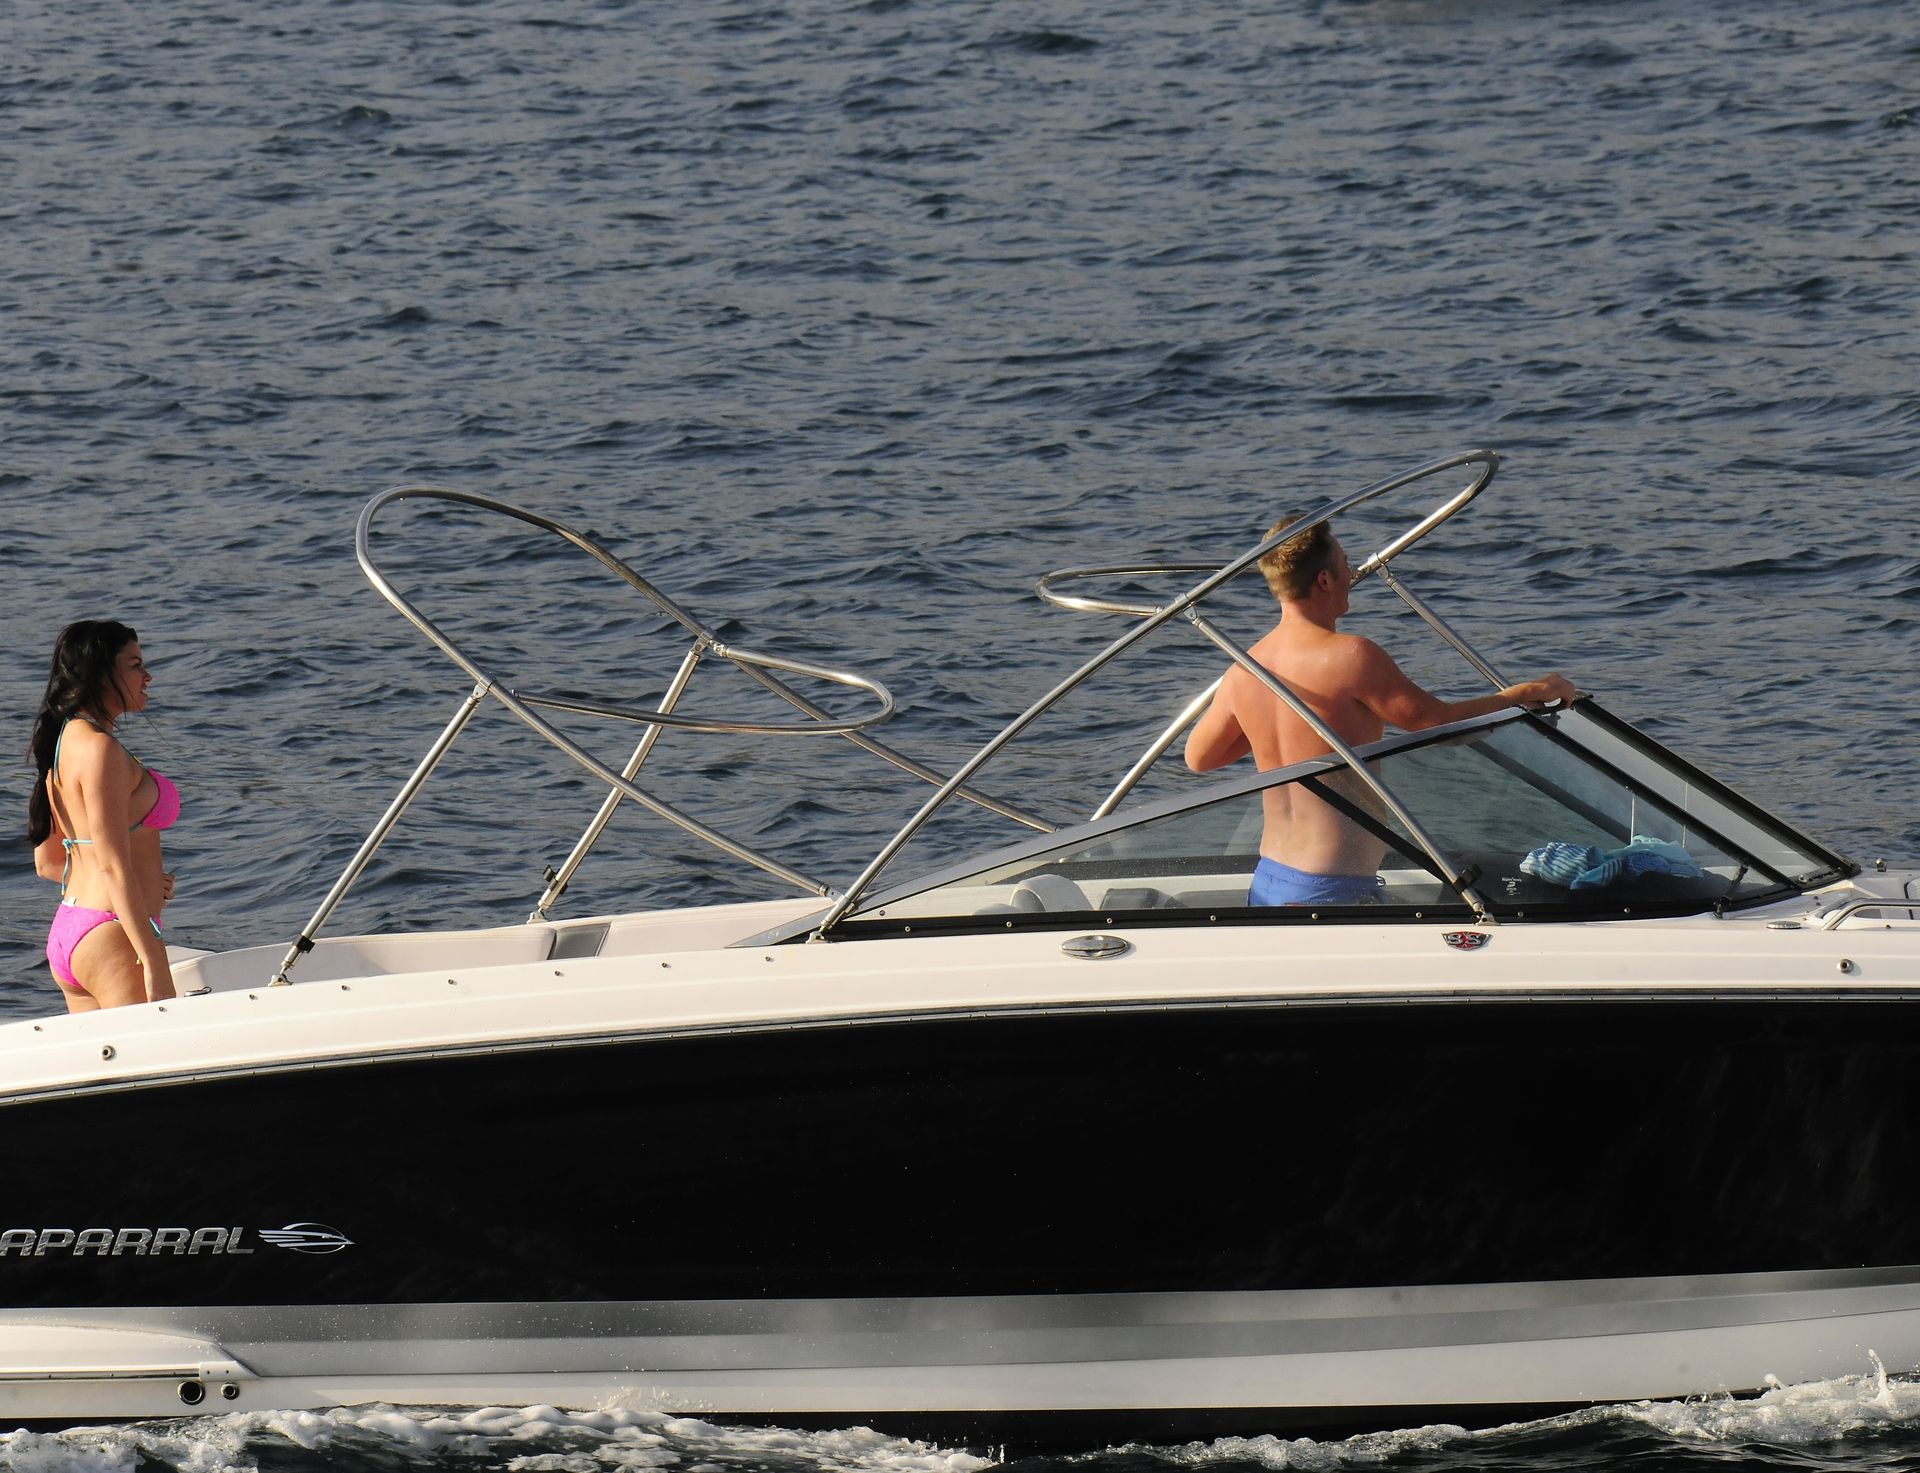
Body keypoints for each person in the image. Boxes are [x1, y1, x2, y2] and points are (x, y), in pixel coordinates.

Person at [1184, 516, 1577, 906]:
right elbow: (1441, 725)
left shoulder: (1245, 669)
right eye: (1345, 564)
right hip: (1331, 889)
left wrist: (1269, 727)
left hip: (1271, 878)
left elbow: (1199, 758)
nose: (1353, 573)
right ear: (1325, 580)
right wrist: (1524, 693)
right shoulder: (1351, 657)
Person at [26, 621, 178, 1009]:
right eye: (135, 665)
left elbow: (48, 862)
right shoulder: (101, 751)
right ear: (101, 674)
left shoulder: (63, 746)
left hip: (73, 928)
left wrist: (147, 880)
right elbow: (111, 864)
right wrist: (154, 963)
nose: (148, 676)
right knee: (150, 1045)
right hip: (112, 935)